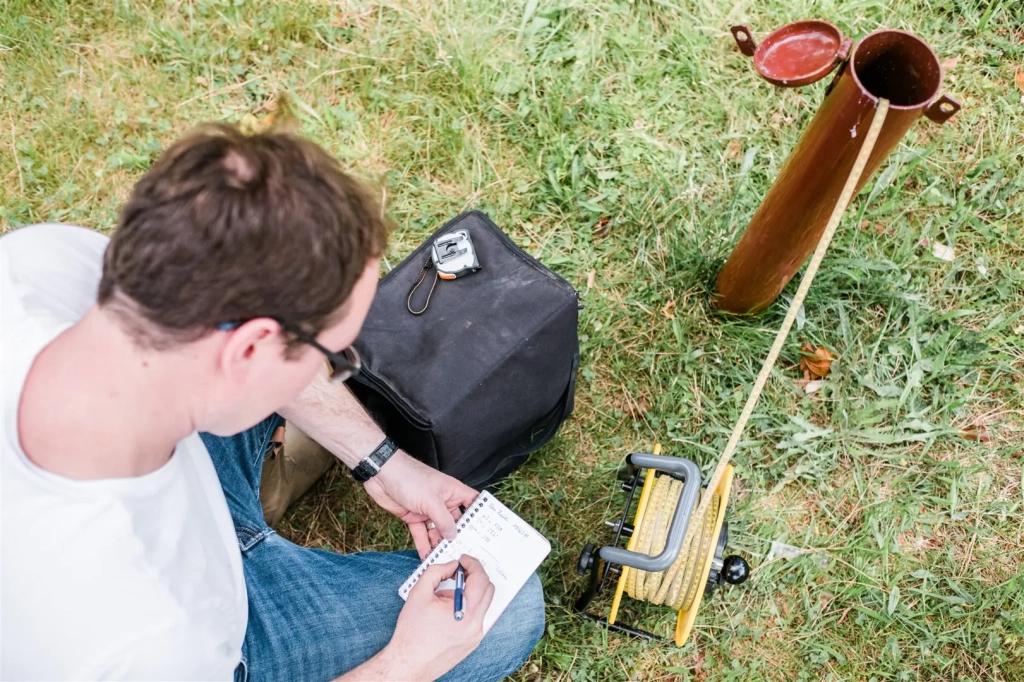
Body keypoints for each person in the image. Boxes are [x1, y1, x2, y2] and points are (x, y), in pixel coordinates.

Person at [0, 123, 545, 681]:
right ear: (250, 347)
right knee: (509, 610)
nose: (333, 371)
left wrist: (383, 461)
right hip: (218, 636)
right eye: (331, 355)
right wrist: (405, 664)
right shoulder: (148, 644)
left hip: (173, 480)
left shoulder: (37, 263)